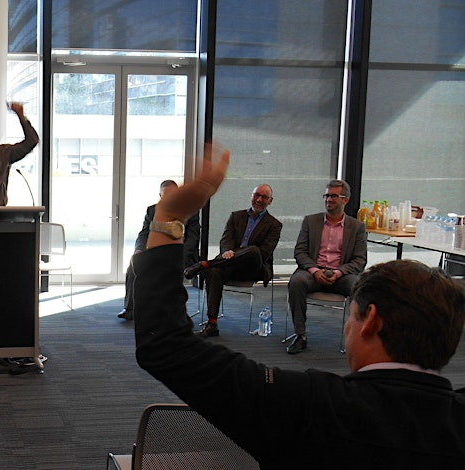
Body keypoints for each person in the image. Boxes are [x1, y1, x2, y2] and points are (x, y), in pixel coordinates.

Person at [133, 143, 465, 467]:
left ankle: (205, 268)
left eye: (352, 314)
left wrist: (169, 218)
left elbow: (165, 346)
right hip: (299, 271)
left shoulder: (307, 405)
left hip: (310, 271)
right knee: (292, 280)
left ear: (370, 321)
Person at [182, 184, 282, 337]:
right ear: (251, 196)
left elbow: (265, 253)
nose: (259, 199)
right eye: (256, 195)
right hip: (229, 265)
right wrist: (228, 252)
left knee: (254, 250)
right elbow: (225, 240)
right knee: (214, 272)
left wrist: (232, 254)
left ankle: (204, 264)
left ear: (271, 201)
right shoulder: (236, 216)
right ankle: (212, 323)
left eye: (264, 197)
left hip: (254, 267)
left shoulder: (274, 224)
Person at [286, 179, 367, 354]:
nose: (328, 200)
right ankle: (300, 335)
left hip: (341, 275)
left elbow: (360, 260)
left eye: (333, 196)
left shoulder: (357, 227)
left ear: (345, 200)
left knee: (359, 287)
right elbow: (300, 252)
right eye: (326, 195)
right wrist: (314, 271)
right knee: (297, 282)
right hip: (313, 271)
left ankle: (357, 338)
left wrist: (338, 273)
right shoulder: (311, 221)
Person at [118, 180, 200, 321]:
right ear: (160, 196)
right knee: (134, 265)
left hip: (180, 255)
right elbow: (144, 234)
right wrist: (139, 250)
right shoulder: (152, 211)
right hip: (156, 254)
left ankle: (172, 313)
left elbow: (192, 240)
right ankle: (130, 309)